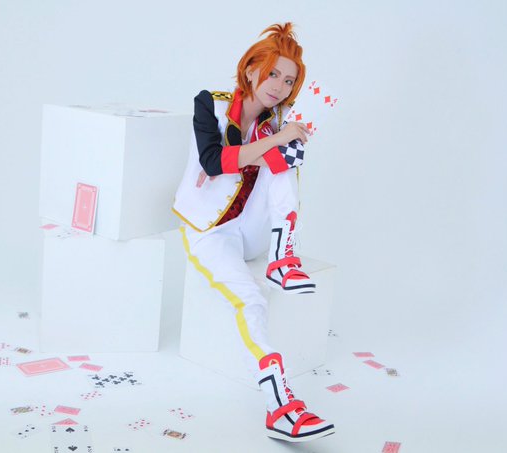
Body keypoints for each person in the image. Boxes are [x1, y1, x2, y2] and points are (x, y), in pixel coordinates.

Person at [172, 23, 335, 442]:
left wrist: (278, 145)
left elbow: (286, 161)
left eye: (289, 80)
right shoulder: (210, 103)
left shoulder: (277, 121)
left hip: (256, 228)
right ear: (250, 69)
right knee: (250, 302)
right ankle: (279, 406)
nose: (279, 86)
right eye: (273, 73)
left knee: (282, 160)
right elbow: (213, 160)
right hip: (211, 230)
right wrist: (275, 143)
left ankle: (283, 258)